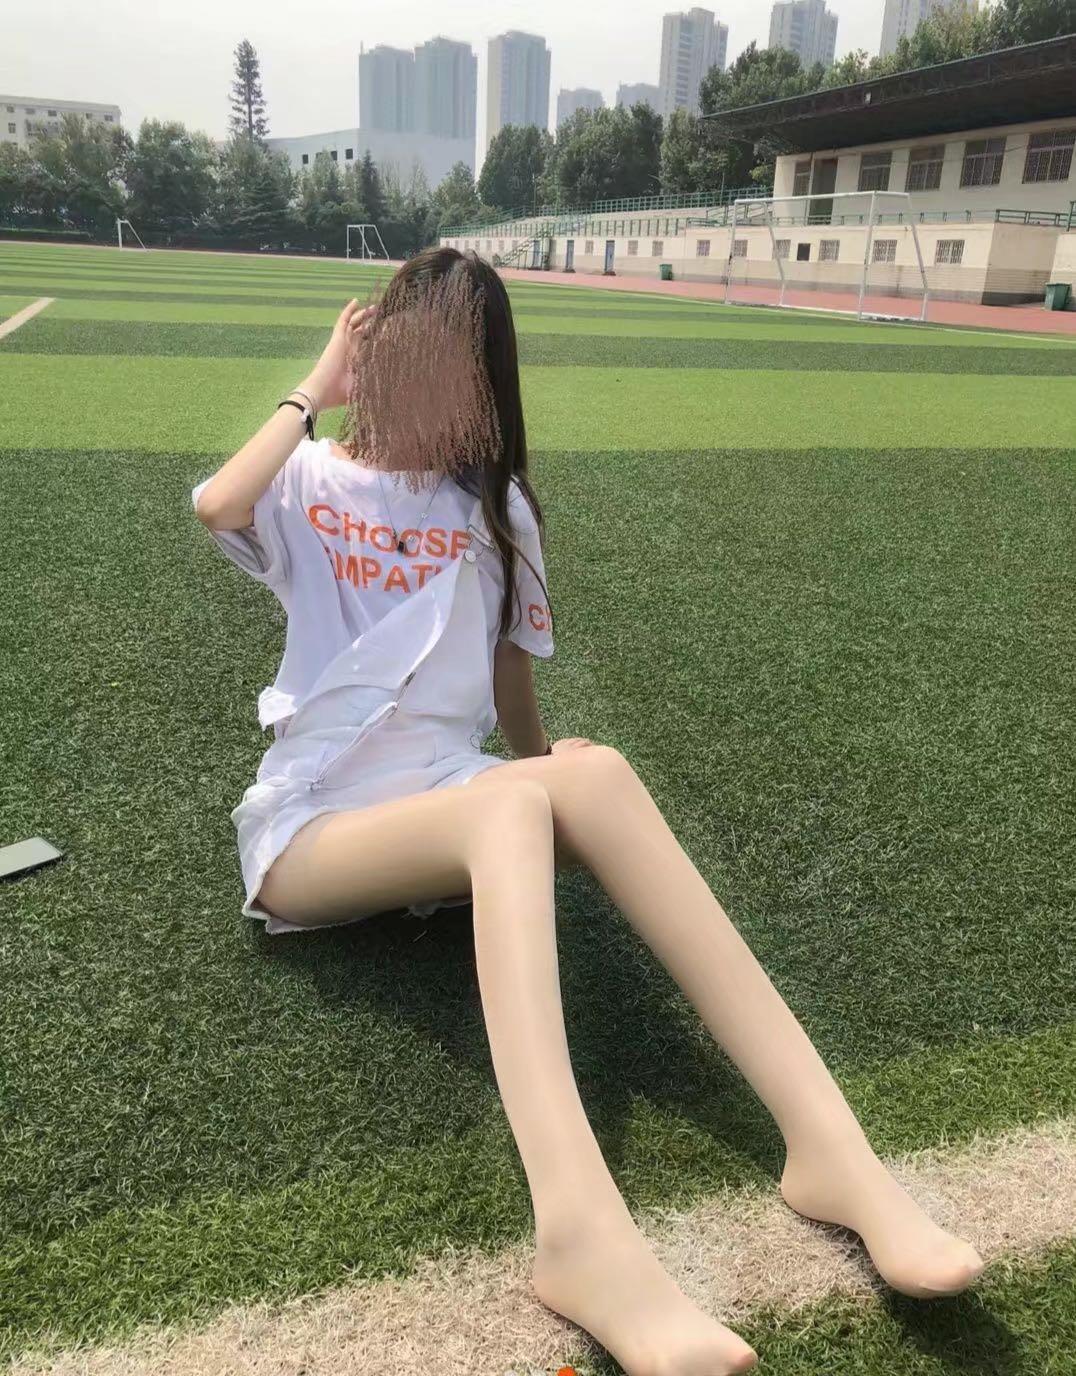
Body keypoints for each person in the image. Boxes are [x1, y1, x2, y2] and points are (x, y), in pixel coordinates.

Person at [192, 246, 984, 1376]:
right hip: (315, 828)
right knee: (508, 811)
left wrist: (553, 780)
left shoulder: (495, 507)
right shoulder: (308, 477)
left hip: (450, 792)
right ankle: (577, 1234)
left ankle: (833, 1153)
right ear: (379, 356)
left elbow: (511, 680)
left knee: (591, 771)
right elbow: (217, 503)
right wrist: (315, 385)